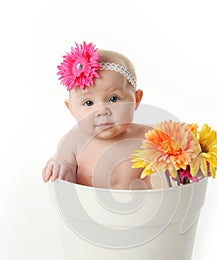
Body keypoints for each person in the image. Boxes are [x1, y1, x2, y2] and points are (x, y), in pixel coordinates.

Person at [42, 42, 152, 190]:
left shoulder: (148, 137)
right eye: (88, 102)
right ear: (71, 109)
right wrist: (58, 166)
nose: (102, 110)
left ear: (136, 100)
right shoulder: (73, 142)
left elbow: (179, 164)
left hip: (143, 212)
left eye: (113, 99)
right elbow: (64, 176)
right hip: (88, 212)